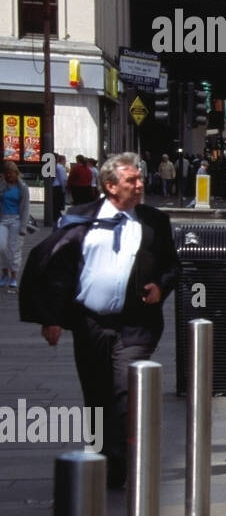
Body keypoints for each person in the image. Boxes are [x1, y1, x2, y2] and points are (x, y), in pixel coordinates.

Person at [18, 153, 178, 489]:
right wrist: (51, 318)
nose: (139, 185)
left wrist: (160, 286)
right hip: (90, 323)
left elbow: (172, 266)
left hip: (137, 324)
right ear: (109, 186)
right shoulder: (79, 219)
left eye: (139, 178)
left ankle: (120, 460)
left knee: (125, 390)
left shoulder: (154, 222)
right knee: (96, 393)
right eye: (131, 180)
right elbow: (57, 270)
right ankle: (106, 457)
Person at [1, 161, 31, 291]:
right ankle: (4, 271)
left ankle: (13, 275)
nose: (9, 176)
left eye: (11, 173)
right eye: (6, 173)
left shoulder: (22, 188)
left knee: (14, 249)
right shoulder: (2, 186)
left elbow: (25, 208)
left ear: (16, 173)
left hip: (16, 220)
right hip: (3, 220)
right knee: (1, 247)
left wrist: (23, 227)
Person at [52, 153, 67, 222]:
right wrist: (64, 189)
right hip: (59, 186)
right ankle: (57, 216)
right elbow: (62, 179)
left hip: (54, 186)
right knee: (59, 203)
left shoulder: (54, 166)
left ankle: (55, 215)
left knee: (55, 203)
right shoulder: (60, 167)